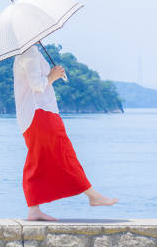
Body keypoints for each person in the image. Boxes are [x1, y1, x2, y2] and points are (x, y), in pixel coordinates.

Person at [13, 44, 117, 220]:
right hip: (39, 113)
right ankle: (93, 196)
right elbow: (36, 85)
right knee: (62, 154)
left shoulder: (29, 52)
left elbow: (38, 81)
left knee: (39, 159)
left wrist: (52, 75)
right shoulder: (29, 52)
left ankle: (34, 209)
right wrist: (52, 77)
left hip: (36, 114)